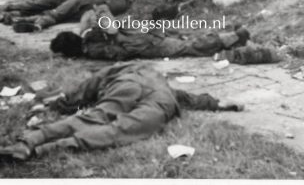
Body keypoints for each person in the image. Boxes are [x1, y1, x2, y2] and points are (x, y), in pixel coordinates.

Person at [0, 62, 244, 161]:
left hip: (142, 91)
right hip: (158, 99)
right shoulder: (161, 81)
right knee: (121, 129)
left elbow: (91, 85)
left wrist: (61, 104)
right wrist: (217, 102)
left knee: (98, 118)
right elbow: (189, 98)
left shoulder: (128, 68)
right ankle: (41, 146)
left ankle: (33, 142)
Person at [50, 6, 250, 60]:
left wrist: (119, 39)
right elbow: (102, 13)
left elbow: (121, 53)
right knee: (184, 38)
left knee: (186, 46)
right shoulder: (91, 38)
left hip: (142, 42)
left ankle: (230, 38)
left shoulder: (91, 47)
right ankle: (230, 36)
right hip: (141, 34)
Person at [10, 0, 135, 32]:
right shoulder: (124, 5)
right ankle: (35, 23)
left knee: (57, 13)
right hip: (93, 10)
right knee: (61, 17)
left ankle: (16, 17)